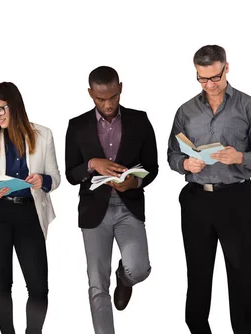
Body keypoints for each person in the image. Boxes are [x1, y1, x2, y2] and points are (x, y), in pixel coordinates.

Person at [167, 45, 251, 334]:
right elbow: (171, 156)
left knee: (242, 274)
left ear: (226, 68)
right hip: (196, 200)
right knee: (198, 272)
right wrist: (185, 164)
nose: (209, 85)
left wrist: (240, 157)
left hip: (235, 199)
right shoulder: (186, 111)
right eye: (202, 79)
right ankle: (198, 329)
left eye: (214, 77)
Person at [65, 66, 158, 334]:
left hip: (128, 207)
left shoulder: (140, 120)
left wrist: (135, 181)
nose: (107, 104)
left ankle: (124, 278)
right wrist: (93, 163)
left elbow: (152, 165)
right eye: (100, 99)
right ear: (90, 93)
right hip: (94, 211)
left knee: (139, 269)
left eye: (113, 97)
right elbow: (71, 174)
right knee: (97, 284)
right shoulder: (77, 126)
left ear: (120, 88)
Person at [0, 82, 60, 334]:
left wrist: (44, 180)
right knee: (1, 284)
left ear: (15, 105)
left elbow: (55, 176)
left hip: (30, 213)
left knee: (39, 288)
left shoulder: (43, 135)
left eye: (1, 109)